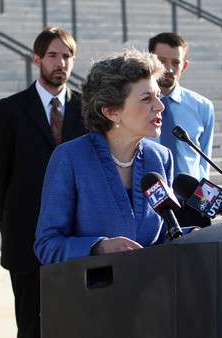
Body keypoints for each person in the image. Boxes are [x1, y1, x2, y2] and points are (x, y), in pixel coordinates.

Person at [0, 27, 86, 338]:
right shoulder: (8, 111)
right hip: (26, 242)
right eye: (53, 55)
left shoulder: (88, 110)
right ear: (36, 59)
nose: (61, 63)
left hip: (78, 240)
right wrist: (14, 229)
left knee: (77, 324)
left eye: (67, 56)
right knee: (31, 325)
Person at [34, 48, 172, 264]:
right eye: (147, 99)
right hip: (97, 293)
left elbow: (166, 234)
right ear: (111, 112)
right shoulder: (70, 158)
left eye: (159, 97)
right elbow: (47, 245)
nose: (160, 106)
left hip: (152, 291)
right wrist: (98, 247)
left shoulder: (160, 158)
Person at [148, 32, 214, 180]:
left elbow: (204, 164)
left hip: (188, 196)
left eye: (175, 62)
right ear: (149, 61)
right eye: (161, 61)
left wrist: (200, 200)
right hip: (148, 195)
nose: (168, 69)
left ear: (184, 66)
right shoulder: (135, 104)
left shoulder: (203, 107)